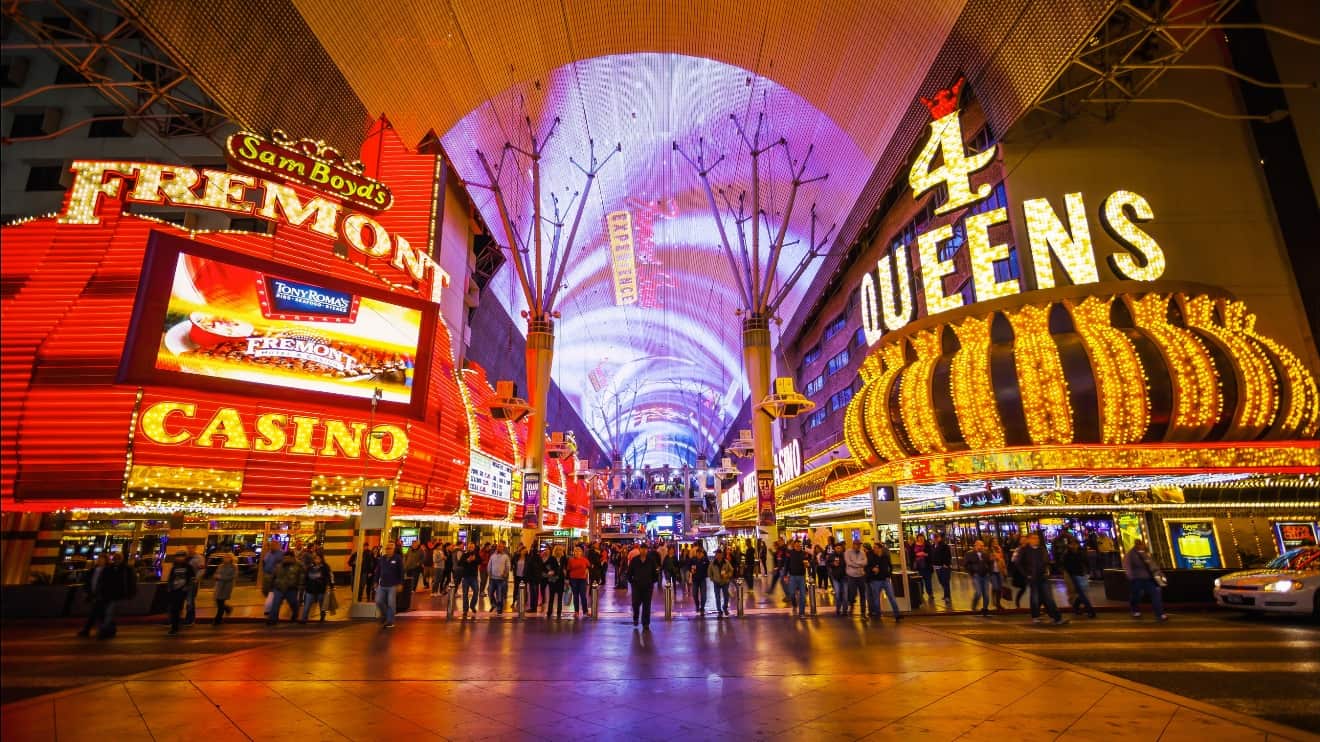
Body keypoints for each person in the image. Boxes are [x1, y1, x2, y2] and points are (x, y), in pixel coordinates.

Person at [1013, 533, 1068, 625]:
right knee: (1035, 597)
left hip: (1042, 576)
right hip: (1032, 577)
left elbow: (1046, 561)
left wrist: (1047, 570)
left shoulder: (1041, 549)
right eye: (1034, 538)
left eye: (1037, 538)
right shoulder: (1024, 550)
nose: (1036, 540)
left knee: (1048, 597)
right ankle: (1036, 616)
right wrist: (1027, 574)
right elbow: (1018, 563)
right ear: (1029, 540)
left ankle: (1056, 617)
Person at [1123, 540, 1169, 621]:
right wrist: (1130, 576)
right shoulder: (1131, 554)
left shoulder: (1144, 553)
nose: (1142, 546)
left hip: (1148, 578)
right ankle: (1135, 610)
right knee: (1136, 595)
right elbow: (1128, 566)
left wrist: (1159, 573)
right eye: (1141, 545)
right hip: (1137, 578)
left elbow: (1152, 564)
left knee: (1155, 594)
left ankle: (1159, 614)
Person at [626, 542, 661, 628]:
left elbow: (655, 573)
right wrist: (633, 582)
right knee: (635, 603)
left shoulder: (651, 560)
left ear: (647, 550)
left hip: (648, 587)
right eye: (642, 549)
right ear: (639, 550)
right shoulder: (635, 560)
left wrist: (651, 582)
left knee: (647, 605)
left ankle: (646, 623)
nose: (644, 551)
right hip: (637, 586)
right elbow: (629, 573)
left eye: (645, 549)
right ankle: (636, 618)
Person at [78, 553, 113, 638]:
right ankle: (107, 630)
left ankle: (90, 630)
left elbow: (110, 583)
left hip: (103, 595)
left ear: (106, 560)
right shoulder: (93, 570)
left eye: (102, 559)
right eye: (99, 559)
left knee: (97, 613)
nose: (100, 560)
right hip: (94, 594)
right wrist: (87, 591)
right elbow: (87, 581)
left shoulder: (108, 570)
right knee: (99, 613)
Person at [267, 550, 304, 625]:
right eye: (285, 558)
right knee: (276, 604)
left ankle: (295, 615)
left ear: (292, 558)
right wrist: (270, 586)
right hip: (279, 588)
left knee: (293, 603)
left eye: (288, 558)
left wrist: (300, 586)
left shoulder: (298, 565)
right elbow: (273, 576)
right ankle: (273, 619)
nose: (286, 559)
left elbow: (301, 577)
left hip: (291, 588)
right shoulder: (279, 565)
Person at [163, 551, 196, 636]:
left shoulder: (188, 567)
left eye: (181, 556)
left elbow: (192, 579)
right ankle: (176, 625)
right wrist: (169, 587)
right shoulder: (174, 567)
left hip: (183, 590)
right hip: (174, 590)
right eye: (177, 556)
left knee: (176, 608)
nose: (179, 558)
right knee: (175, 609)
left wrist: (187, 588)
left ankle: (175, 627)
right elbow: (171, 578)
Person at [1062, 539, 1097, 618]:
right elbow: (1066, 566)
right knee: (1082, 593)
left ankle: (1076, 606)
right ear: (1069, 545)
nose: (1074, 546)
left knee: (1082, 593)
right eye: (1072, 544)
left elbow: (1085, 561)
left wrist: (1088, 571)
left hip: (1081, 574)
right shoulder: (1067, 554)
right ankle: (1090, 610)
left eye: (1075, 544)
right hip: (1074, 575)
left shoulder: (1081, 552)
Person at [866, 543, 902, 620]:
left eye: (875, 548)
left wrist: (889, 575)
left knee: (891, 597)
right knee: (876, 598)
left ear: (880, 549)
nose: (874, 549)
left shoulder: (885, 557)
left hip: (885, 580)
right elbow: (867, 567)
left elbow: (890, 566)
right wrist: (872, 570)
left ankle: (897, 614)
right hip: (875, 580)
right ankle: (878, 615)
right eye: (873, 548)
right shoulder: (871, 557)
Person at [374, 542, 404, 628]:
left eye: (390, 548)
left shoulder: (397, 559)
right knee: (378, 601)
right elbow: (378, 571)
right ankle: (386, 615)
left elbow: (401, 572)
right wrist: (376, 581)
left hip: (393, 585)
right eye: (386, 548)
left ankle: (390, 621)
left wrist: (400, 584)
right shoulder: (382, 559)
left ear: (394, 550)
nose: (388, 550)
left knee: (391, 603)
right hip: (382, 584)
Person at [300, 552, 333, 623]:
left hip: (320, 589)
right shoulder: (310, 567)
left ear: (321, 559)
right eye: (315, 558)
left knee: (321, 605)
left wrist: (331, 585)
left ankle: (322, 616)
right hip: (310, 589)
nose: (317, 560)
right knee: (307, 605)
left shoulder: (325, 567)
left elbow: (329, 576)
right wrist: (304, 584)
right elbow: (306, 577)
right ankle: (304, 618)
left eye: (318, 558)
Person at [965, 539, 993, 617]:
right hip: (976, 575)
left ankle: (985, 609)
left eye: (983, 545)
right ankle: (974, 605)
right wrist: (972, 572)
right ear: (976, 545)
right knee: (978, 592)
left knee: (986, 594)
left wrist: (989, 572)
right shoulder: (969, 554)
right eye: (981, 545)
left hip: (985, 575)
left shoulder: (986, 554)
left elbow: (990, 563)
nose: (982, 547)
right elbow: (966, 565)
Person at [784, 540, 810, 617]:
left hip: (802, 576)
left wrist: (808, 565)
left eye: (799, 546)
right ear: (794, 546)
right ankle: (794, 604)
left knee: (803, 595)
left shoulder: (804, 553)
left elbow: (808, 563)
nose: (798, 547)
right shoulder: (790, 553)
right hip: (792, 576)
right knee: (792, 593)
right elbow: (787, 564)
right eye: (796, 546)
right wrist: (785, 575)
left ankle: (801, 612)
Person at [844, 539, 868, 616]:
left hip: (861, 576)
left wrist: (856, 563)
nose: (858, 546)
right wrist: (859, 564)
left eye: (859, 545)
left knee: (862, 594)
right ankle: (851, 605)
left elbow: (865, 562)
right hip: (851, 576)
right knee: (852, 593)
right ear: (853, 545)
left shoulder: (862, 553)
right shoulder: (848, 552)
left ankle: (863, 611)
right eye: (857, 544)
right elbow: (849, 563)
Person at [212, 552, 237, 625]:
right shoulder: (221, 566)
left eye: (228, 557)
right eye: (225, 557)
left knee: (220, 603)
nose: (225, 559)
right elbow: (216, 573)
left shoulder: (233, 567)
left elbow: (232, 577)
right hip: (219, 586)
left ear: (231, 559)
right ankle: (227, 608)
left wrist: (221, 577)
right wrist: (215, 576)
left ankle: (217, 620)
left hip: (226, 587)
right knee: (218, 601)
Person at [487, 542, 511, 614]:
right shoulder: (493, 556)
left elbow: (507, 566)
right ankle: (494, 604)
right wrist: (489, 573)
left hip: (501, 579)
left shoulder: (505, 556)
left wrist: (505, 574)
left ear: (503, 548)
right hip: (492, 578)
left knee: (500, 594)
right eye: (498, 547)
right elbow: (489, 565)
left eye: (500, 547)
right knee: (490, 592)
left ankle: (499, 609)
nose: (499, 548)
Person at [544, 545, 567, 619]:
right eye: (558, 550)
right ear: (555, 551)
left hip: (561, 579)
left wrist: (565, 572)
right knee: (551, 597)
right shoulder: (552, 558)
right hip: (553, 580)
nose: (559, 551)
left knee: (560, 597)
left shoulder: (564, 558)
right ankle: (549, 612)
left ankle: (559, 613)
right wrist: (549, 571)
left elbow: (566, 567)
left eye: (561, 550)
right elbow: (545, 566)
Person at [568, 546, 591, 617]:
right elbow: (568, 570)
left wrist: (587, 569)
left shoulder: (585, 560)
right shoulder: (570, 560)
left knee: (583, 595)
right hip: (573, 579)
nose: (577, 553)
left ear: (581, 553)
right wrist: (567, 580)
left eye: (579, 551)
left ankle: (585, 611)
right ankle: (576, 611)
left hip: (582, 579)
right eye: (576, 551)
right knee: (575, 596)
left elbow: (589, 567)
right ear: (574, 553)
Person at [930, 532, 953, 604]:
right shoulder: (933, 546)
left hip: (944, 567)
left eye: (936, 538)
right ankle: (946, 594)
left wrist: (946, 564)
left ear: (939, 538)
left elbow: (948, 555)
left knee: (945, 582)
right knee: (941, 581)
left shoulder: (944, 546)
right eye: (934, 538)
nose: (935, 539)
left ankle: (947, 597)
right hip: (937, 567)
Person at [459, 543, 481, 617]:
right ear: (468, 547)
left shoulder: (476, 554)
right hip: (466, 577)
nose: (471, 548)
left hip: (474, 577)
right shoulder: (465, 554)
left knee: (476, 591)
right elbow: (460, 563)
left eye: (472, 547)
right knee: (465, 594)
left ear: (474, 548)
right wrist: (467, 560)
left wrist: (475, 560)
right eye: (470, 547)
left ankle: (472, 605)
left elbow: (480, 561)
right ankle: (465, 609)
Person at [711, 549, 734, 617]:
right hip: (717, 582)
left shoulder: (726, 562)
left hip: (725, 582)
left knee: (726, 596)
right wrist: (713, 579)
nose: (718, 556)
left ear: (722, 555)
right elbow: (709, 572)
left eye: (720, 554)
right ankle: (719, 610)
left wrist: (727, 575)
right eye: (717, 554)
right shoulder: (713, 563)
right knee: (717, 597)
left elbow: (731, 570)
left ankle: (725, 607)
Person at [523, 543, 545, 613]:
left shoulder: (532, 557)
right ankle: (533, 607)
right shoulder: (535, 557)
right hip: (534, 578)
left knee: (533, 593)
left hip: (533, 578)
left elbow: (528, 568)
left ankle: (533, 607)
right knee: (533, 593)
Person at [910, 534, 932, 604]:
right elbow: (911, 555)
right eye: (919, 538)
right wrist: (917, 554)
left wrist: (925, 554)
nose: (921, 539)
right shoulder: (913, 545)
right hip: (918, 566)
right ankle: (920, 593)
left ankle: (930, 593)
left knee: (928, 580)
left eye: (922, 537)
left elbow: (931, 553)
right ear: (917, 538)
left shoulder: (927, 545)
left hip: (926, 565)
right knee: (919, 581)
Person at [827, 543, 847, 614]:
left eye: (840, 548)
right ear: (835, 548)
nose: (838, 549)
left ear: (842, 548)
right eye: (837, 548)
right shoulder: (831, 556)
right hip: (835, 577)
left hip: (844, 577)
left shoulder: (845, 555)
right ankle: (838, 609)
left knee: (845, 594)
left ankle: (845, 610)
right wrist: (833, 564)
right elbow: (828, 564)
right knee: (838, 593)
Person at [989, 538, 1009, 611]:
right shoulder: (989, 550)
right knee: (996, 587)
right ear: (991, 543)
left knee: (1000, 588)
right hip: (992, 572)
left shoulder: (999, 549)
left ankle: (998, 604)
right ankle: (994, 599)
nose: (995, 543)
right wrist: (993, 557)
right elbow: (988, 559)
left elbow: (1003, 559)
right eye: (994, 542)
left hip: (999, 570)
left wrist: (1004, 569)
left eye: (996, 541)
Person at [689, 546, 710, 614]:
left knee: (703, 594)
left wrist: (708, 574)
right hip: (695, 579)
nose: (699, 554)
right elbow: (689, 566)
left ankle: (702, 607)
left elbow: (709, 567)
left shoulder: (705, 560)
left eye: (700, 553)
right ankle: (697, 605)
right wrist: (691, 570)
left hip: (702, 579)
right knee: (694, 593)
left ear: (702, 553)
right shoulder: (693, 560)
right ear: (696, 553)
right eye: (698, 553)